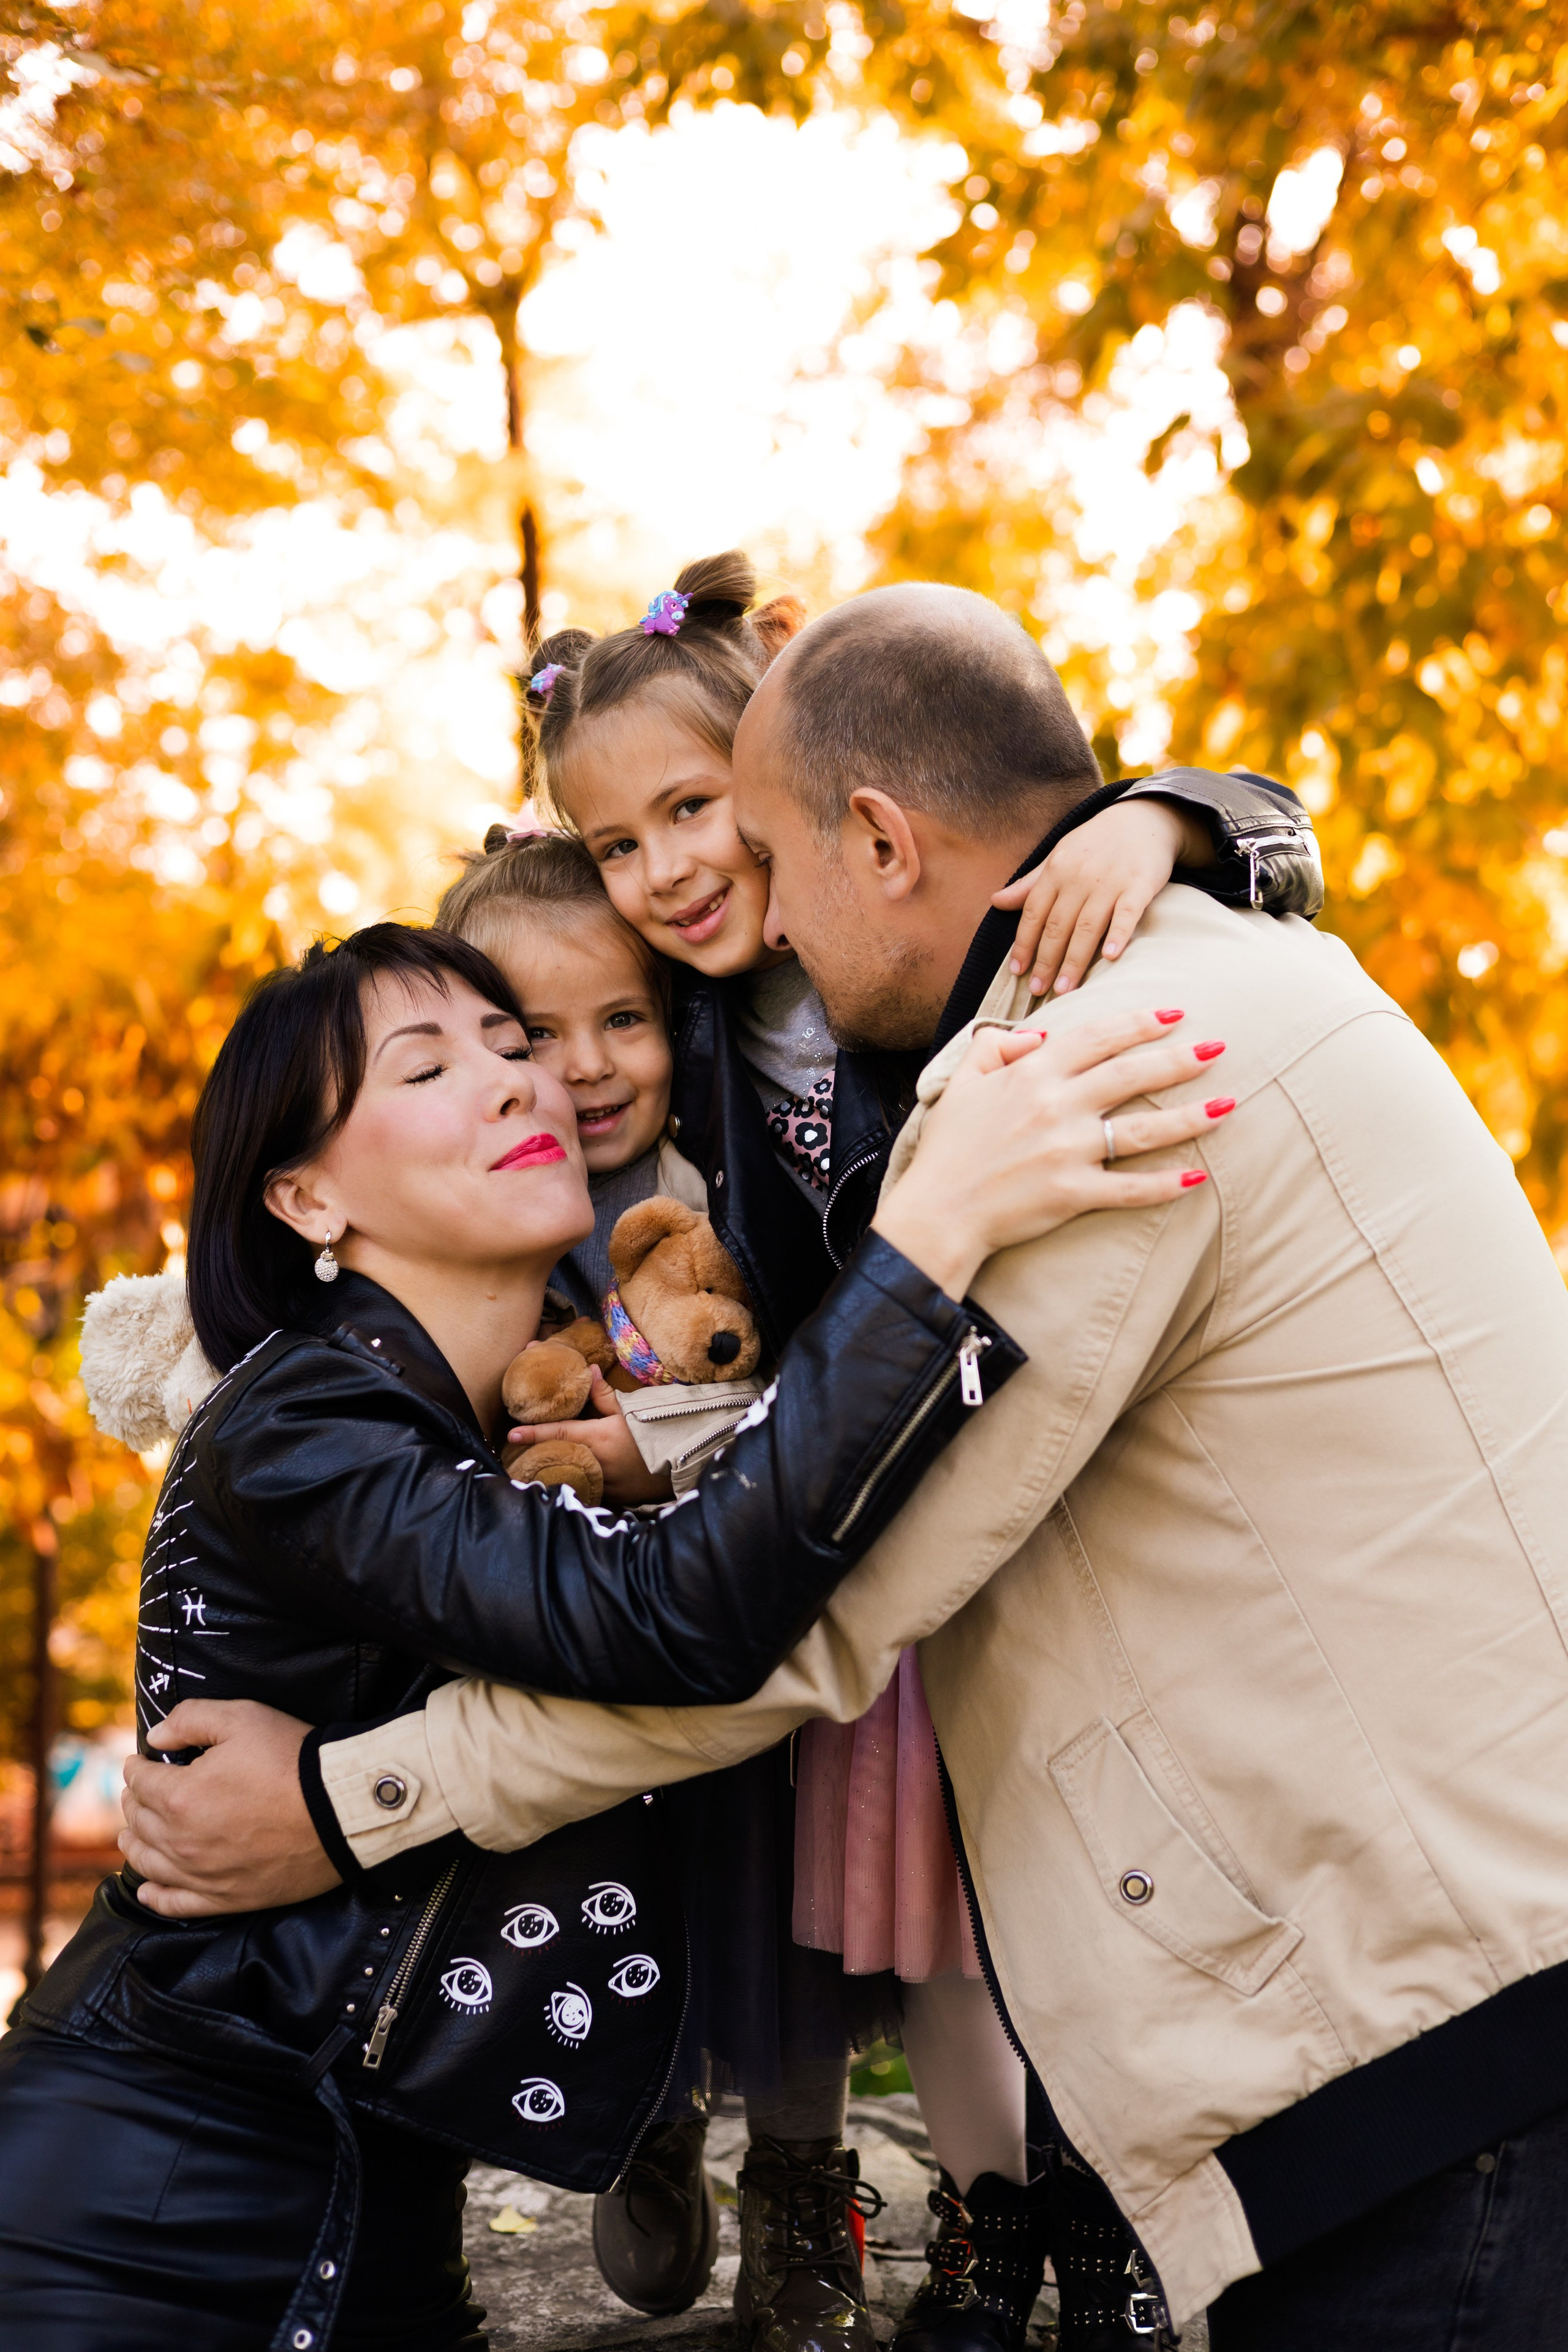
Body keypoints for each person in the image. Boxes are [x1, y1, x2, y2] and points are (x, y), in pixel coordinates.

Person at [129, 579, 1568, 2351]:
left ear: (879, 842)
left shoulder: (1071, 1091)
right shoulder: (1227, 971)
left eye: (764, 856)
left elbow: (795, 1604)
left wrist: (349, 1800)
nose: (753, 921)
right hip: (1454, 1994)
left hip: (1433, 2060)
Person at [1, 917, 1219, 2352]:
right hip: (146, 2222)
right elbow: (672, 1617)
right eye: (429, 1067)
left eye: (509, 1044)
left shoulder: (468, 1425)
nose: (517, 1080)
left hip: (364, 2225)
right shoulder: (308, 1427)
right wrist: (928, 1244)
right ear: (307, 1197)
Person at [514, 551, 1317, 2346]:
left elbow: (1265, 828)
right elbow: (529, 975)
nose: (671, 871)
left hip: (1051, 1470)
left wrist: (1166, 819)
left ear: (799, 795)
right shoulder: (688, 1025)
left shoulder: (956, 933)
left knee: (1076, 1884)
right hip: (866, 1507)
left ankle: (1115, 2228)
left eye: (700, 813)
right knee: (933, 1920)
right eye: (620, 843)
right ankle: (972, 2226)